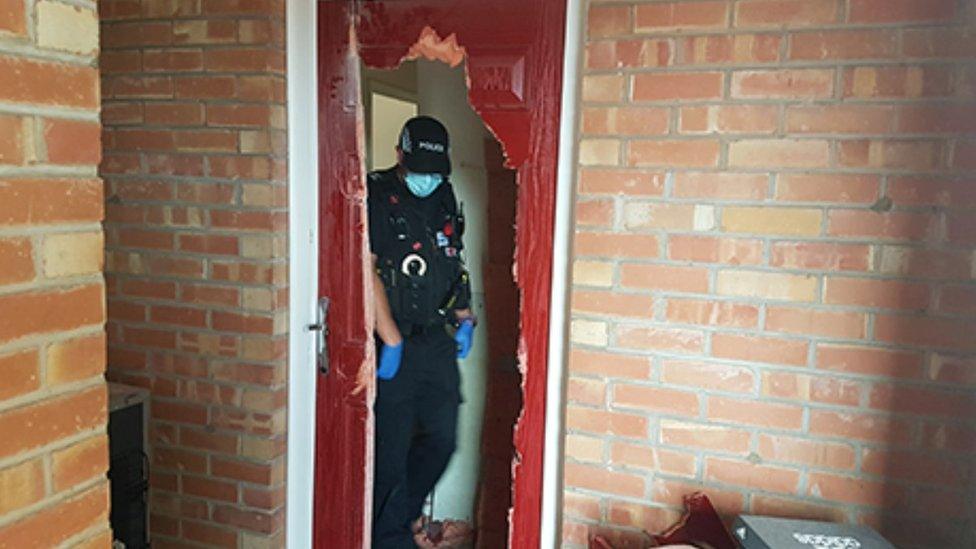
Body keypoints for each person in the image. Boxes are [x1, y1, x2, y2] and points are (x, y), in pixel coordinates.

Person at [368, 116, 476, 548]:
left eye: (434, 172)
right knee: (390, 454)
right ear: (399, 155)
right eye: (418, 171)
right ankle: (389, 539)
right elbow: (365, 266)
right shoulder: (376, 192)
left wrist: (465, 315)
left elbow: (453, 257)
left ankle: (393, 524)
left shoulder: (444, 192)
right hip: (394, 341)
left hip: (436, 338)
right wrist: (389, 336)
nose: (427, 181)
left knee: (442, 440)